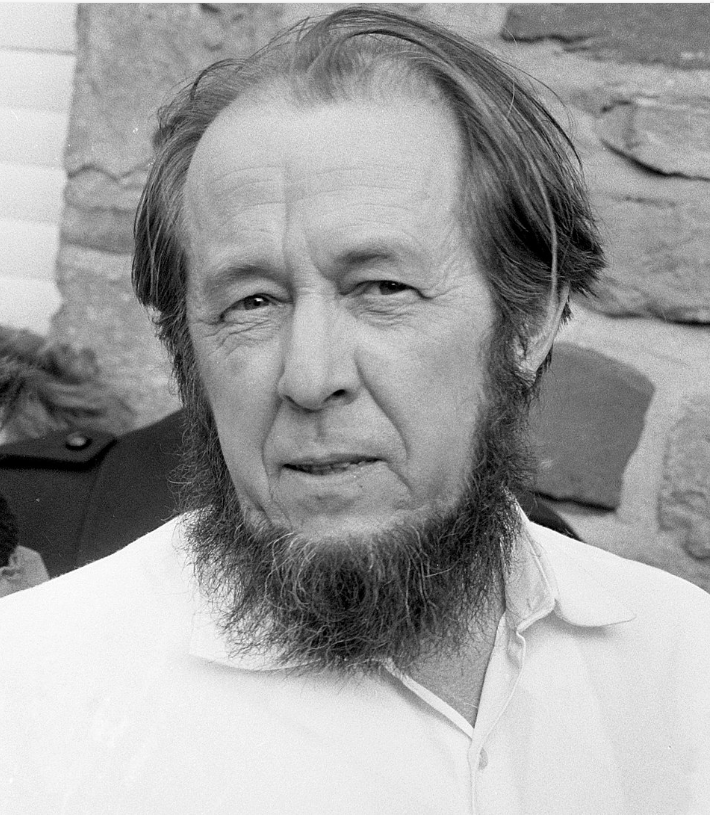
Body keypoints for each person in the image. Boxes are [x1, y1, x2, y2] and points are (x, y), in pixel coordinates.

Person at [0, 8, 707, 814]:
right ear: (186, 349)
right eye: (252, 301)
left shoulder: (683, 664)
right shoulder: (31, 702)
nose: (309, 377)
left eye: (382, 289)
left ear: (532, 318)